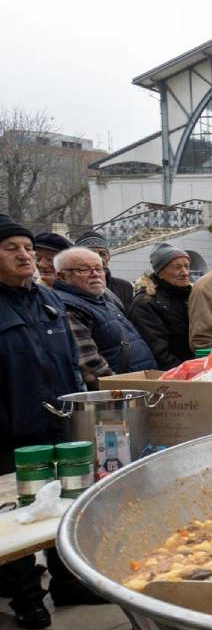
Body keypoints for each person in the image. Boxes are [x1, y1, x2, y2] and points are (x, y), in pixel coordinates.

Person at [0, 216, 105, 629]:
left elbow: (71, 362)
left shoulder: (47, 300)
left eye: (27, 247)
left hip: (60, 423)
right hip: (10, 432)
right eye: (11, 248)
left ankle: (68, 582)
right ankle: (27, 598)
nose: (25, 255)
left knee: (67, 503)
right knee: (15, 517)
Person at [53, 247, 155, 389]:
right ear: (63, 276)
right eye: (84, 269)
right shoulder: (68, 307)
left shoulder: (103, 302)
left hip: (139, 386)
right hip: (121, 394)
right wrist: (120, 393)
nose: (95, 274)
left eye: (99, 269)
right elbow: (90, 366)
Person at [129, 242, 194, 370]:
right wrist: (185, 372)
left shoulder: (191, 295)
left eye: (187, 266)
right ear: (160, 272)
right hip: (172, 373)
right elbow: (158, 352)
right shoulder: (145, 303)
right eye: (177, 267)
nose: (185, 272)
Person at [74, 230, 135, 312]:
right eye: (91, 255)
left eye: (102, 254)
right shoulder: (72, 289)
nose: (99, 259)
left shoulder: (124, 287)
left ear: (108, 257)